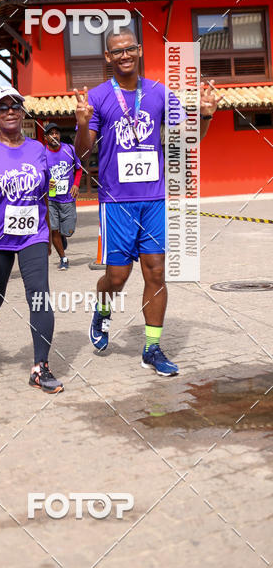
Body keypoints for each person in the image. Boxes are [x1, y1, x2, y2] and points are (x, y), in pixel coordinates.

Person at [74, 26, 218, 376]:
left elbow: (187, 139)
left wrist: (205, 115)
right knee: (118, 277)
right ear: (108, 57)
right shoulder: (97, 97)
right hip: (117, 202)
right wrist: (80, 125)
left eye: (130, 48)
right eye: (116, 51)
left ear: (138, 51)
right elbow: (82, 152)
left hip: (153, 199)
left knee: (155, 272)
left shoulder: (158, 94)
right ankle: (103, 309)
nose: (124, 55)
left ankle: (152, 348)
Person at [0, 86, 63, 393]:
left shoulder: (37, 149)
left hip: (32, 234)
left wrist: (47, 231)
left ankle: (40, 367)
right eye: (2, 107)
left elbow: (44, 193)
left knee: (39, 295)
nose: (10, 110)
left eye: (15, 105)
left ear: (22, 112)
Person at [43, 122, 82, 271]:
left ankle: (64, 236)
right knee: (54, 229)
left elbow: (78, 169)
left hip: (68, 198)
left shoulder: (70, 150)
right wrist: (46, 185)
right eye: (51, 134)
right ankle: (63, 257)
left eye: (56, 133)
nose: (54, 136)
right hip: (51, 198)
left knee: (68, 231)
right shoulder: (42, 155)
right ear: (46, 137)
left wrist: (76, 184)